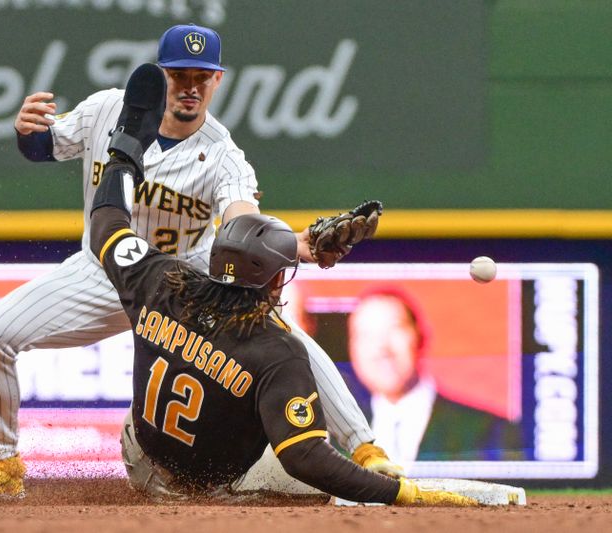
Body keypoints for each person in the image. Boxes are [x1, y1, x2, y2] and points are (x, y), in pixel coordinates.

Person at [0, 24, 398, 500]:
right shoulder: (108, 109)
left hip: (184, 281)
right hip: (102, 268)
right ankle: (3, 466)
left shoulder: (224, 155)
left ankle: (366, 450)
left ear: (218, 81)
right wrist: (26, 132)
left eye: (201, 78)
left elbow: (242, 223)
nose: (190, 87)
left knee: (286, 340)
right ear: (161, 75)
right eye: (179, 75)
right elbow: (46, 147)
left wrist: (297, 244)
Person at [82, 63, 475, 505]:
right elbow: (307, 458)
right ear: (268, 281)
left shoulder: (160, 281)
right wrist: (401, 494)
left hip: (139, 458)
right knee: (315, 475)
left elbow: (106, 226)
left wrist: (124, 153)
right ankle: (357, 455)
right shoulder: (275, 349)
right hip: (205, 486)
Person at [346, 287, 522, 462]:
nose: (381, 348)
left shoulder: (491, 431)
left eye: (394, 329)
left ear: (420, 337)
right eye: (365, 335)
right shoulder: (336, 437)